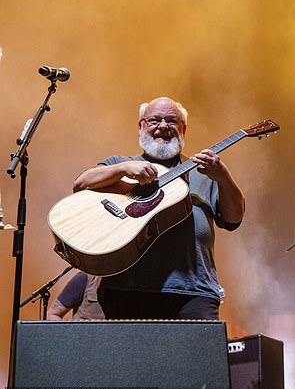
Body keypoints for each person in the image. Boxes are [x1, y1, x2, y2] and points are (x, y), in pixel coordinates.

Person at [73, 96, 245, 320]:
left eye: (171, 121)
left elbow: (234, 219)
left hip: (194, 293)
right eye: (154, 120)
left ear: (183, 129)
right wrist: (123, 168)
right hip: (126, 290)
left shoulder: (205, 171)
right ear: (140, 126)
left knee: (196, 355)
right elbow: (81, 184)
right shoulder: (121, 163)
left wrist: (223, 176)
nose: (163, 126)